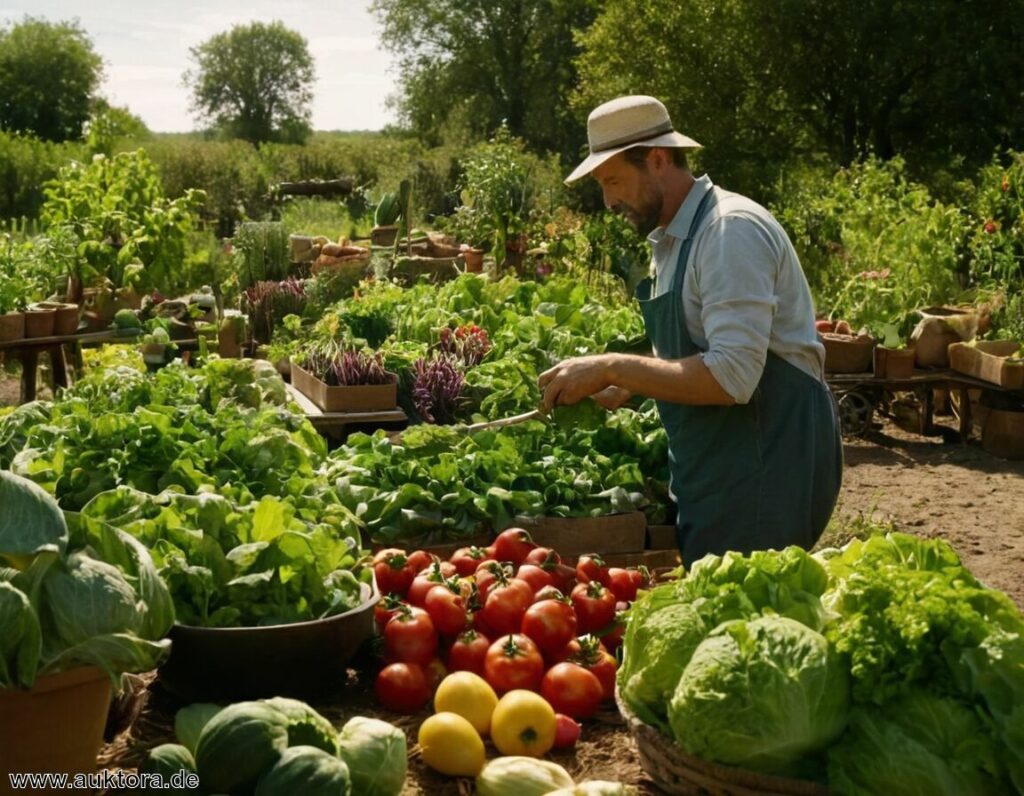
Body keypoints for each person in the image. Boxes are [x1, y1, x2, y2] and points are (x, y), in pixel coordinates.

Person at [539, 95, 842, 562]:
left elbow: (732, 376)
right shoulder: (674, 237)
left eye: (614, 180)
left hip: (766, 465)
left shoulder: (728, 232)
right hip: (723, 466)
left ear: (657, 160)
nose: (608, 201)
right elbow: (705, 346)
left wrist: (612, 368)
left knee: (751, 620)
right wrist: (629, 385)